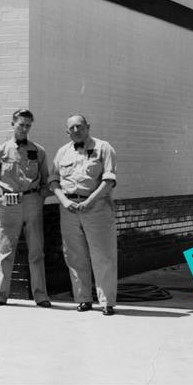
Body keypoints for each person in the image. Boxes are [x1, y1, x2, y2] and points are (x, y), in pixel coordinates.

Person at [47, 115, 119, 316]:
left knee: (102, 254)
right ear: (67, 132)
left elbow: (108, 180)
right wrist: (64, 201)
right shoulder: (62, 152)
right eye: (72, 128)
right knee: (74, 255)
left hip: (96, 207)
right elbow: (53, 180)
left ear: (88, 127)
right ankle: (83, 299)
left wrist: (90, 201)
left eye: (79, 126)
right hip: (69, 208)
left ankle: (107, 302)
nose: (76, 130)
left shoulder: (104, 148)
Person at [0, 109, 52, 308]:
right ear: (13, 124)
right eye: (21, 124)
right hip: (9, 203)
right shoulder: (0, 150)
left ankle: (41, 295)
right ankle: (0, 295)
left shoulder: (39, 151)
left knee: (36, 251)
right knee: (5, 251)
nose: (24, 128)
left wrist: (41, 198)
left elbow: (45, 180)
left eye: (28, 125)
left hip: (32, 202)